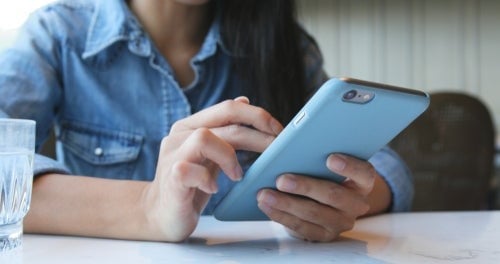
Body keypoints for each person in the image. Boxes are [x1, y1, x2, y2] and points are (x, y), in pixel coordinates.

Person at [0, 0, 413, 242]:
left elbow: (389, 170)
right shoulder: (58, 34)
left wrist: (344, 199)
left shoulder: (282, 43)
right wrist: (147, 209)